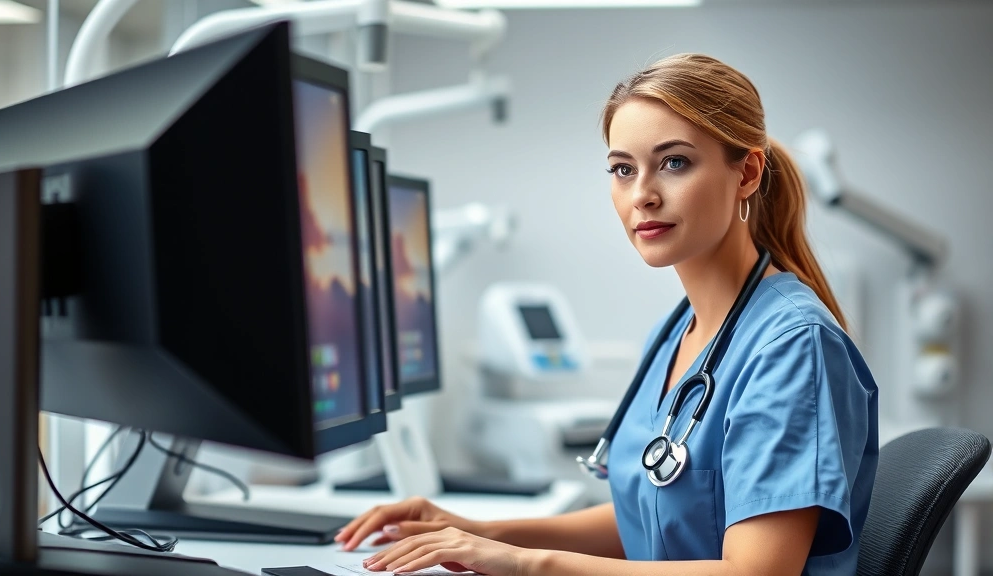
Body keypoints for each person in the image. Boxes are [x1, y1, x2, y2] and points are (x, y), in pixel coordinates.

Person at [333, 53, 879, 576]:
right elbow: (647, 519)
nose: (642, 195)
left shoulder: (791, 346)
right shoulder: (677, 334)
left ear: (748, 173)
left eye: (674, 163)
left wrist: (524, 564)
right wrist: (481, 532)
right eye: (622, 169)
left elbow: (756, 572)